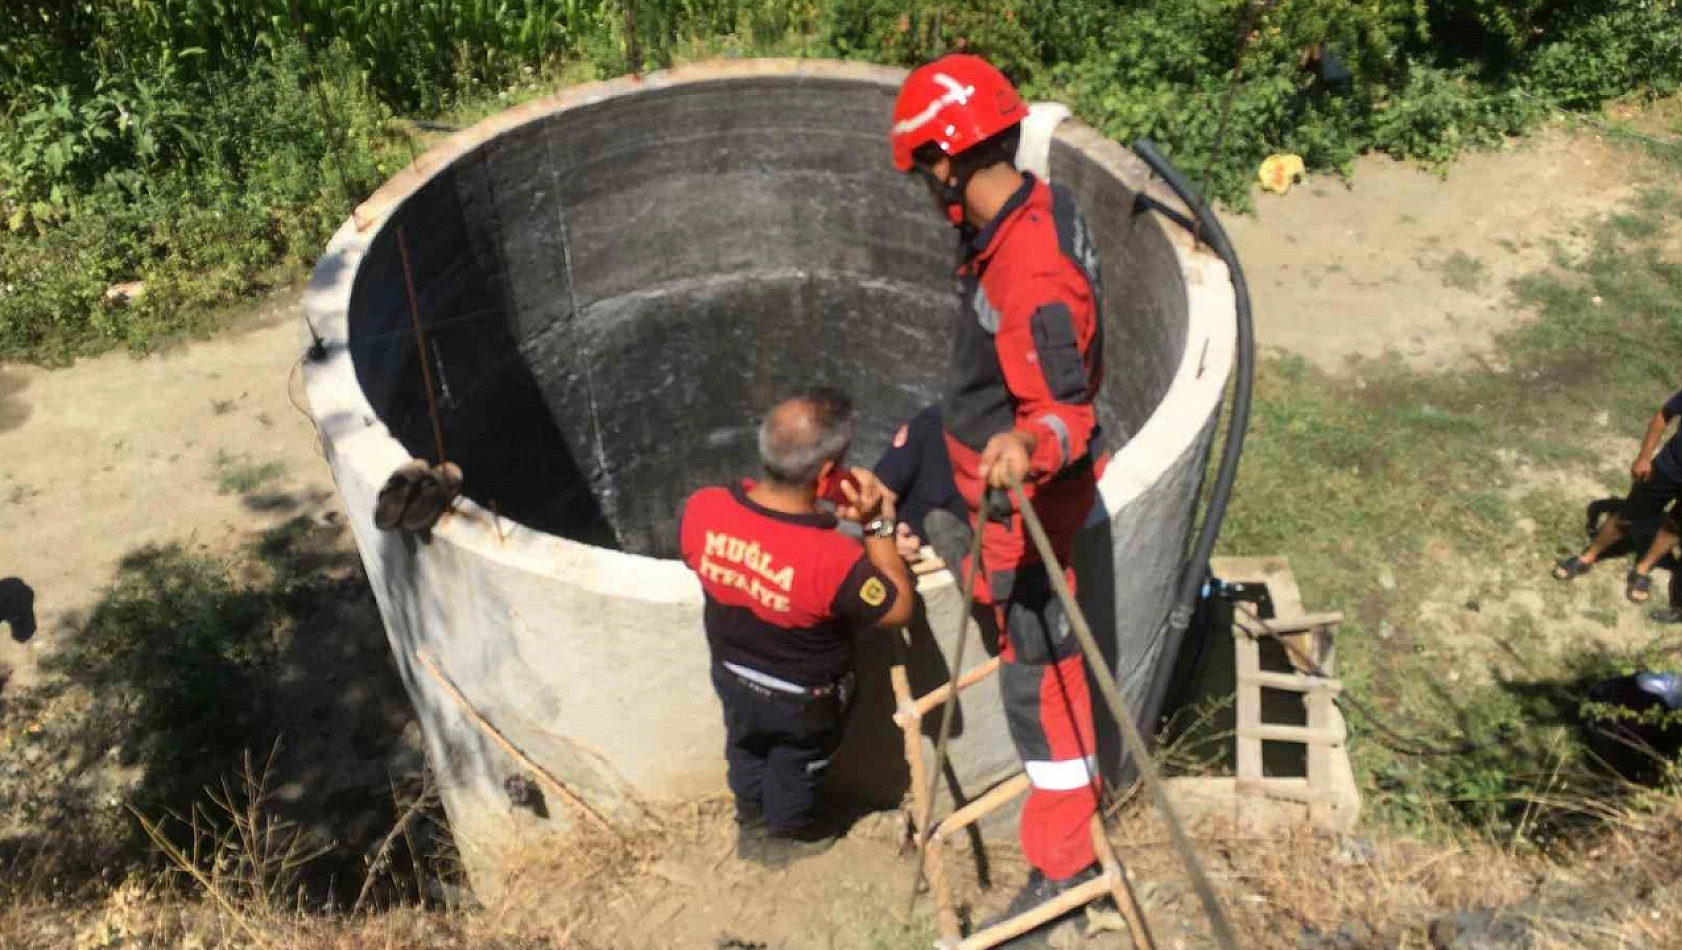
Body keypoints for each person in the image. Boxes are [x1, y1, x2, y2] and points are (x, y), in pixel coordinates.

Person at [889, 53, 1108, 931]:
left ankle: (1063, 864)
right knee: (904, 466)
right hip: (975, 452)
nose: (924, 185)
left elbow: (1066, 411)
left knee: (1040, 682)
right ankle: (933, 536)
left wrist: (1031, 441)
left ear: (946, 160)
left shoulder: (1031, 272)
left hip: (1019, 506)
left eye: (924, 167)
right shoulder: (1017, 217)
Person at [678, 388, 916, 865]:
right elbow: (897, 608)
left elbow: (736, 550)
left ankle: (750, 822)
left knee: (744, 748)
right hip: (803, 700)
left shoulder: (703, 508)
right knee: (796, 763)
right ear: (828, 474)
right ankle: (786, 833)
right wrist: (876, 527)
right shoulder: (833, 560)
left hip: (732, 675)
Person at [1554, 388, 1682, 603]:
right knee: (1628, 516)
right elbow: (1664, 414)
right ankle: (1588, 556)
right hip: (1669, 468)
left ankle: (1643, 568)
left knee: (1675, 525)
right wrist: (1644, 457)